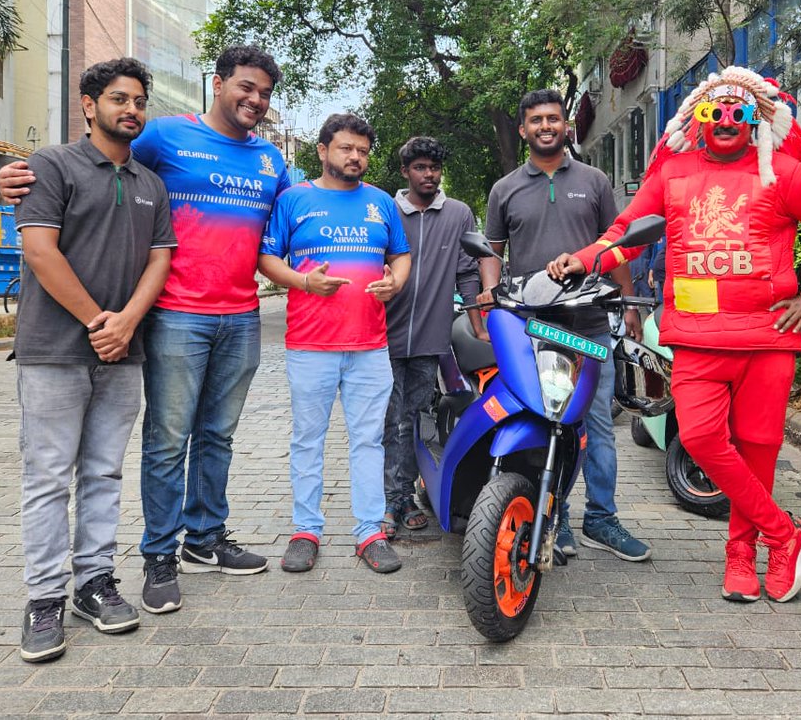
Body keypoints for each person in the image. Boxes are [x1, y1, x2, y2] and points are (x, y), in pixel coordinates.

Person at [0, 45, 291, 614]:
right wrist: (14, 178)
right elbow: (88, 163)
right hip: (176, 313)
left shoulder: (270, 161)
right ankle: (159, 554)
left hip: (241, 314)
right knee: (166, 440)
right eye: (245, 87)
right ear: (218, 83)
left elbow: (301, 207)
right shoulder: (162, 137)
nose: (255, 100)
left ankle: (206, 537)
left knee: (218, 437)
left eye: (264, 93)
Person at [548, 67, 801, 603]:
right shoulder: (672, 176)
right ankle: (785, 533)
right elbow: (626, 236)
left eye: (739, 112)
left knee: (758, 449)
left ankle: (743, 555)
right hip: (695, 340)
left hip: (766, 339)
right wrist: (580, 261)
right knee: (699, 437)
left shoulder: (781, 172)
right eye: (714, 112)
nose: (726, 120)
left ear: (755, 119)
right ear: (696, 119)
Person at [14, 58, 176, 662]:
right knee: (49, 478)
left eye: (138, 101)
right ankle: (43, 598)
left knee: (105, 473)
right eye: (117, 98)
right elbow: (39, 250)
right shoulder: (51, 166)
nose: (130, 109)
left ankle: (94, 583)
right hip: (53, 351)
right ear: (89, 105)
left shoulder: (149, 184)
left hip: (123, 355)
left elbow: (160, 260)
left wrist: (127, 322)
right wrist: (96, 321)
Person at [480, 88, 650, 563]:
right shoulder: (505, 189)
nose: (546, 126)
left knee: (596, 424)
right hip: (533, 330)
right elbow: (493, 252)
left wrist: (630, 306)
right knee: (545, 421)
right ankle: (554, 517)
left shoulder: (594, 181)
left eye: (553, 118)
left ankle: (601, 518)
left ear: (566, 126)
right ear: (523, 129)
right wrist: (494, 300)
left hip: (591, 326)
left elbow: (615, 246)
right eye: (536, 120)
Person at [259, 113, 412, 574]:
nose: (355, 157)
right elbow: (267, 258)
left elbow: (400, 256)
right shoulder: (293, 200)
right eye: (346, 148)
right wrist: (303, 281)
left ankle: (369, 532)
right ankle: (306, 530)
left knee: (368, 441)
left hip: (370, 345)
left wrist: (395, 284)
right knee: (308, 440)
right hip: (310, 345)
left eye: (363, 151)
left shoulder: (381, 203)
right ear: (323, 150)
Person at [382, 136, 483, 537]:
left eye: (435, 168)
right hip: (382, 338)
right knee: (387, 423)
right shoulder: (386, 210)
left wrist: (478, 327)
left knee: (416, 420)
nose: (429, 175)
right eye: (421, 167)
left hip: (430, 339)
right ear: (406, 171)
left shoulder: (458, 214)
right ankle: (388, 503)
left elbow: (468, 272)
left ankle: (406, 498)